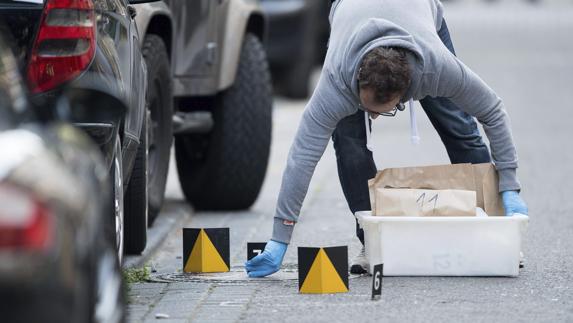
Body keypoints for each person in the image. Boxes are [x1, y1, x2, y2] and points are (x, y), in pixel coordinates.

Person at [245, 0, 528, 278]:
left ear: (407, 91)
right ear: (357, 83)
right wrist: (280, 236)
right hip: (349, 16)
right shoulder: (337, 83)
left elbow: (492, 110)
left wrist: (510, 185)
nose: (375, 117)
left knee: (459, 127)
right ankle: (373, 243)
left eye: (387, 111)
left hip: (419, 15)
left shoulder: (435, 68)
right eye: (368, 108)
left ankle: (495, 233)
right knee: (348, 144)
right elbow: (303, 155)